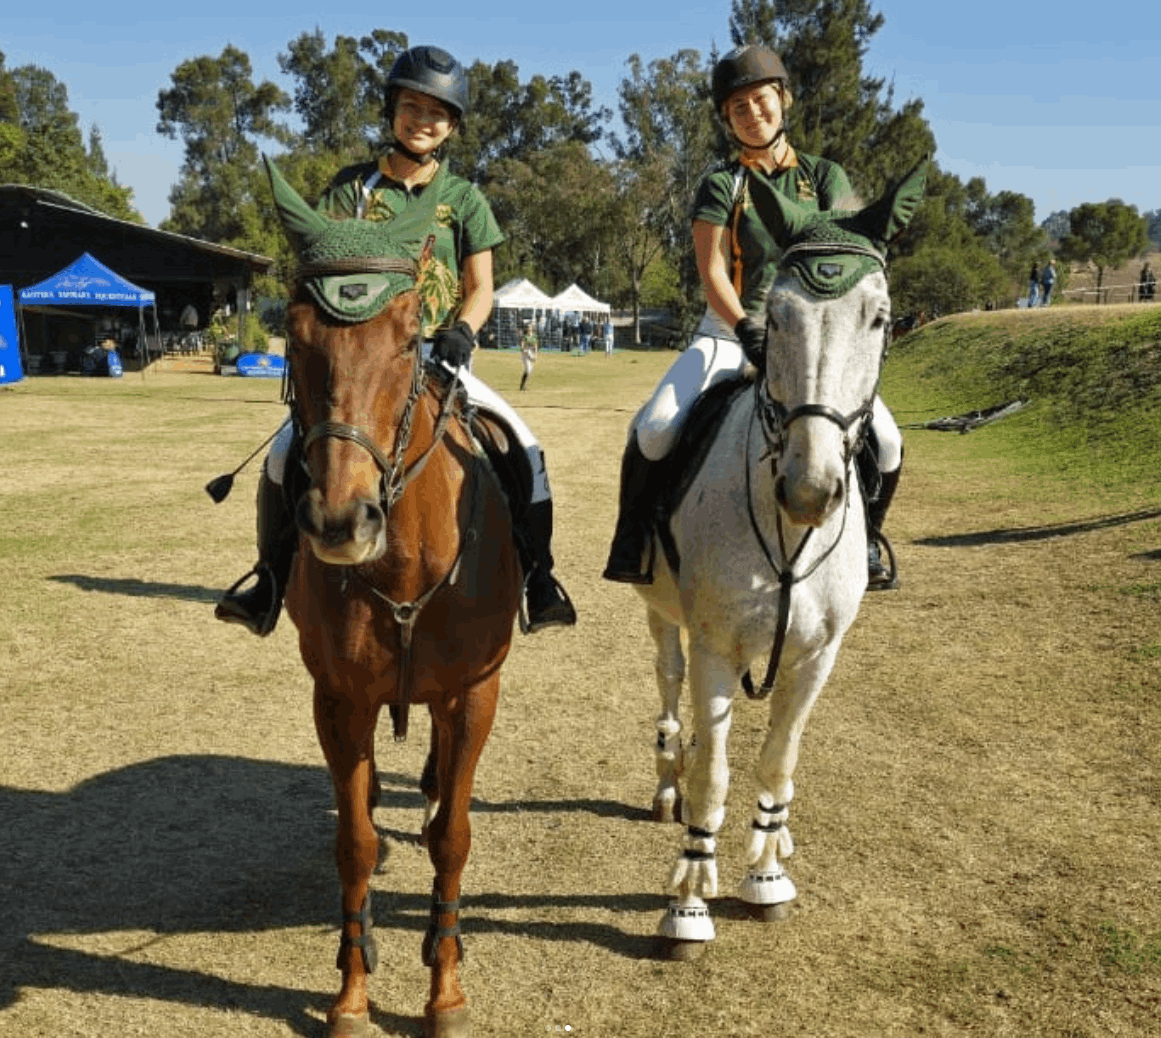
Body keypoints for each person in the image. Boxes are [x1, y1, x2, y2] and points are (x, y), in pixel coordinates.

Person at [216, 44, 576, 637]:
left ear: (452, 126)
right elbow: (322, 265)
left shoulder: (464, 199)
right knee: (283, 454)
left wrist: (463, 329)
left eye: (437, 113)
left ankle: (539, 578)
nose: (423, 121)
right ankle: (269, 581)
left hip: (439, 353)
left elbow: (481, 286)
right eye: (412, 107)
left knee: (523, 447)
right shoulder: (350, 190)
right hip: (361, 358)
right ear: (391, 111)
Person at [602, 43, 905, 590]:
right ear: (726, 119)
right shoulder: (723, 184)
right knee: (655, 428)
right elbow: (713, 271)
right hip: (729, 334)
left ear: (783, 99)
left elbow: (847, 259)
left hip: (809, 340)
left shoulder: (824, 177)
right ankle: (634, 540)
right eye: (737, 108)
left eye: (760, 100)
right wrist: (746, 328)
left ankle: (867, 542)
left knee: (886, 441)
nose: (751, 113)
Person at [519, 320, 538, 391]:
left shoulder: (534, 336)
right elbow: (522, 347)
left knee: (529, 370)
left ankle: (524, 385)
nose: (529, 328)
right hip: (525, 354)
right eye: (527, 327)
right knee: (528, 369)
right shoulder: (525, 336)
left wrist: (535, 355)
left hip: (531, 353)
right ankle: (523, 386)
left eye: (530, 327)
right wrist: (527, 354)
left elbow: (536, 346)